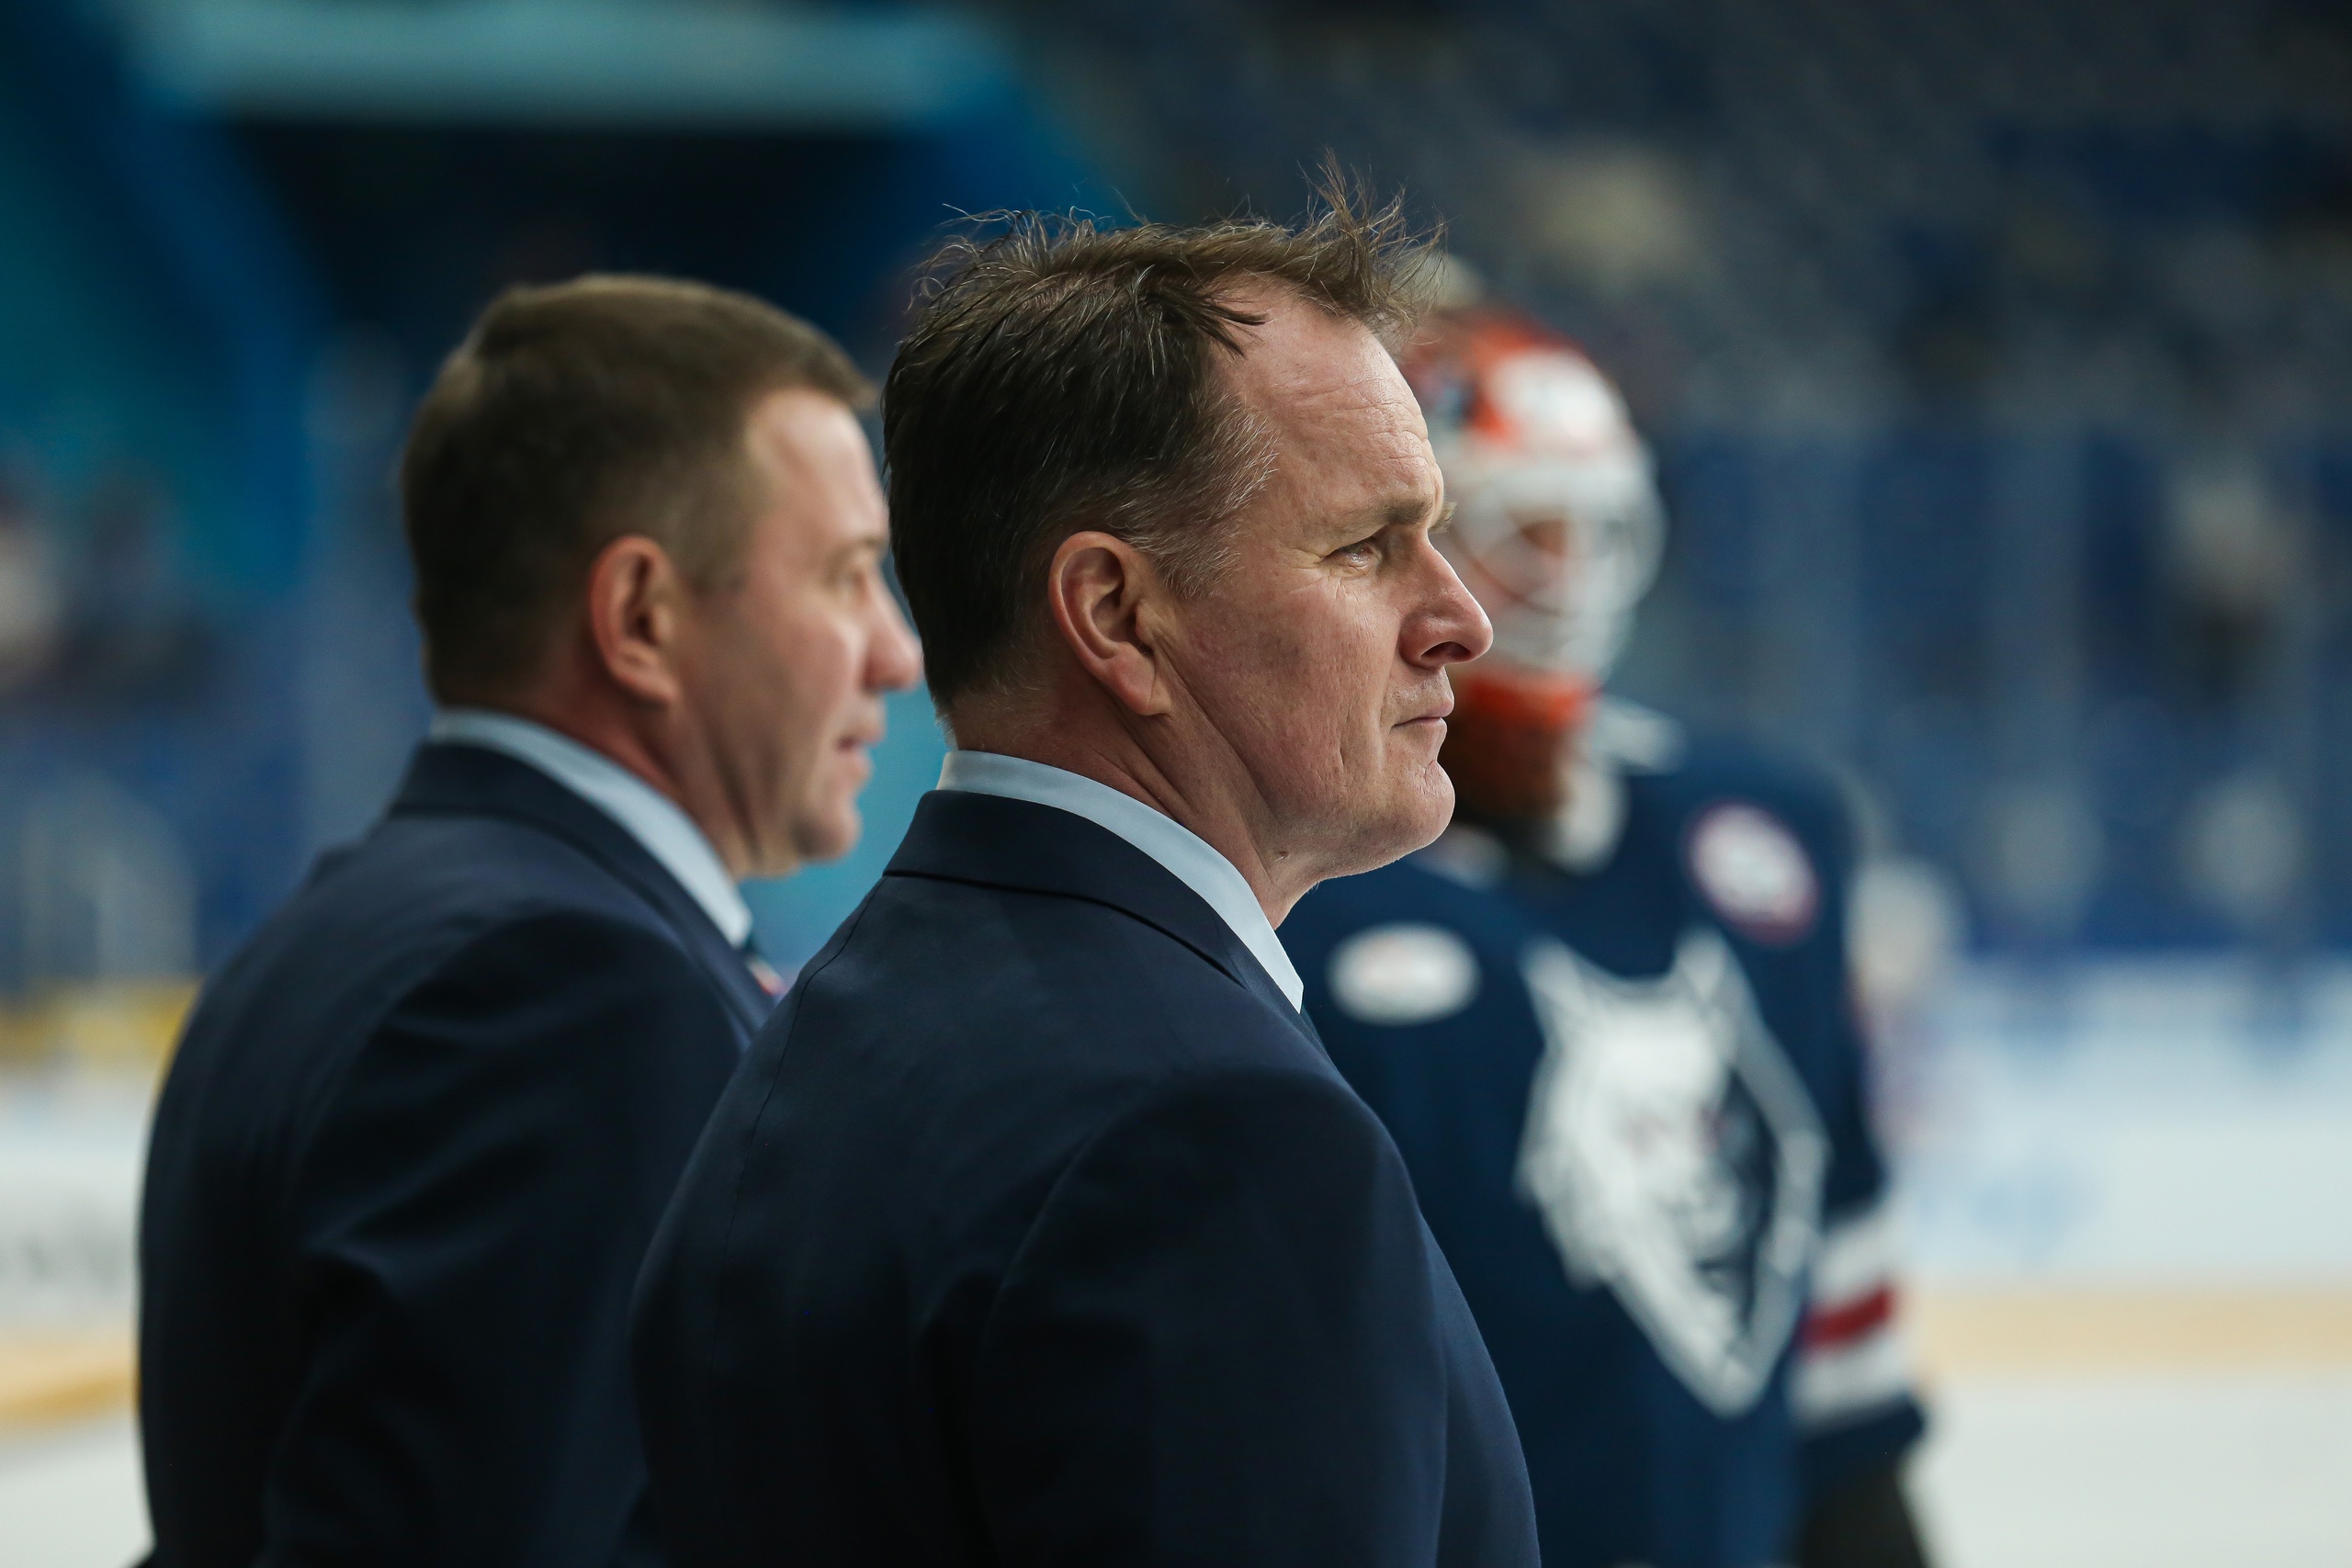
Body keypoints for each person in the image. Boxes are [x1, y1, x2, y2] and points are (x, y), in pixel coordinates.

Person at [632, 197, 1539, 1566]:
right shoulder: (1213, 1131)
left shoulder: (831, 1032)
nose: (1461, 618)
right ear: (1116, 615)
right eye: (1366, 545)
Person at [138, 276, 922, 1568]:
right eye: (845, 578)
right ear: (641, 619)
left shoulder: (321, 940)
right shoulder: (576, 995)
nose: (897, 653)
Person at [1279, 307, 1934, 1568]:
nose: (1562, 573)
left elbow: (1840, 1367)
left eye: (1588, 526)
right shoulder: (1298, 884)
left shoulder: (1768, 837)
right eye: (1520, 528)